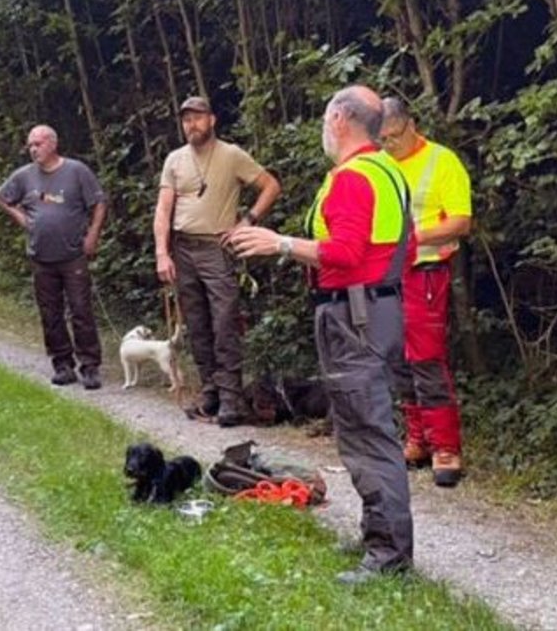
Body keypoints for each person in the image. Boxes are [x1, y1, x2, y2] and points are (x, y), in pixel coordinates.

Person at [228, 85, 414, 584]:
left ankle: (388, 556)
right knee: (364, 427)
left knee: (366, 434)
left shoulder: (353, 178)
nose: (322, 128)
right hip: (378, 309)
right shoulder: (388, 170)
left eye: (324, 118)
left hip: (355, 316)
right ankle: (380, 536)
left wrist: (279, 244)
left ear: (339, 120)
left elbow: (346, 253)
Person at [154, 96, 280, 427]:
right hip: (183, 246)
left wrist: (247, 221)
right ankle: (210, 389)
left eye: (197, 118)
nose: (191, 125)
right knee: (196, 323)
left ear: (211, 120)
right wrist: (162, 253)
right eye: (186, 120)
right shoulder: (175, 159)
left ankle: (230, 396)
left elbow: (270, 186)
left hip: (216, 247)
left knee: (224, 321)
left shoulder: (231, 154)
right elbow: (163, 209)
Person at [380, 97, 472, 487]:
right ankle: (417, 438)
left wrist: (414, 239)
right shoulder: (381, 165)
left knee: (427, 359)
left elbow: (461, 221)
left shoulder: (442, 161)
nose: (389, 144)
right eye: (382, 139)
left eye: (394, 136)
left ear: (411, 124)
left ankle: (445, 447)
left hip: (426, 272)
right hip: (386, 276)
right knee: (397, 358)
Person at [0, 125, 109, 389]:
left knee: (81, 309)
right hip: (41, 256)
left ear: (53, 144)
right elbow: (1, 198)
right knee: (50, 313)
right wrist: (22, 218)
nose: (33, 149)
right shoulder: (24, 176)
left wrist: (93, 235)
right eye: (30, 145)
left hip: (73, 254)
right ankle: (62, 364)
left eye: (38, 144)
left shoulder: (76, 171)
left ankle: (90, 365)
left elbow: (99, 203)